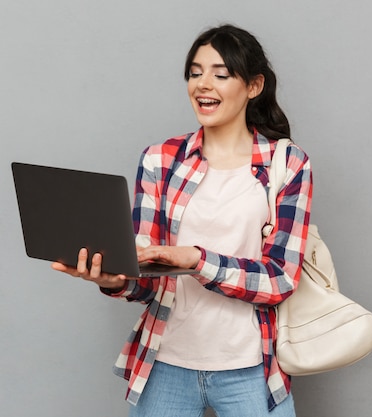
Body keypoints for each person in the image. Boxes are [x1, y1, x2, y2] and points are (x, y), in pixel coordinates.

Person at [52, 24, 312, 417]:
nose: (203, 84)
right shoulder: (160, 159)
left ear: (254, 85)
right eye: (195, 72)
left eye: (221, 74)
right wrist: (114, 279)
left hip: (250, 366)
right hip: (166, 361)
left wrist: (196, 259)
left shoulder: (287, 164)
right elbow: (148, 277)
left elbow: (280, 279)